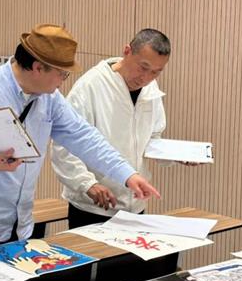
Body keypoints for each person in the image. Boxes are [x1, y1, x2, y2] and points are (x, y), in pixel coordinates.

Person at [0, 24, 160, 256]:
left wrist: (127, 175)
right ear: (37, 67)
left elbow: (85, 137)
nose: (63, 81)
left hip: (20, 223)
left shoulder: (50, 99)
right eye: (62, 74)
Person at [52, 28, 177, 229]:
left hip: (135, 203)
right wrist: (88, 184)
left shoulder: (150, 89)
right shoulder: (91, 86)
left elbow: (152, 137)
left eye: (156, 72)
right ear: (127, 51)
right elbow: (65, 146)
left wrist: (176, 154)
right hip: (93, 205)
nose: (146, 77)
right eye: (143, 67)